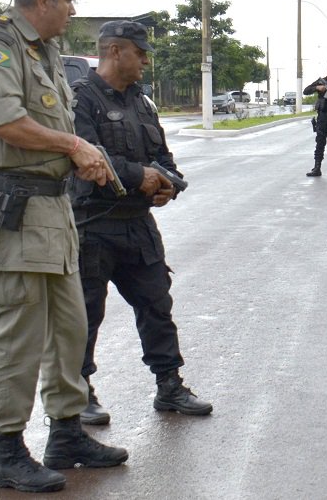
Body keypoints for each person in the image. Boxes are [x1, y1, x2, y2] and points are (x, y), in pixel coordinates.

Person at [0, 0, 128, 494]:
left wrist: (83, 152)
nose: (73, 12)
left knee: (68, 330)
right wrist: (74, 145)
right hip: (15, 210)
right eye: (67, 2)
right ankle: (6, 451)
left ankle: (65, 434)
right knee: (19, 336)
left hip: (53, 211)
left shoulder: (47, 50)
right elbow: (7, 123)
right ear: (42, 2)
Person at [69, 21, 212, 424]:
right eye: (140, 52)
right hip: (93, 226)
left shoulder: (142, 103)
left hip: (138, 226)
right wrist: (140, 176)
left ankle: (169, 385)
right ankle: (78, 394)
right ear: (115, 51)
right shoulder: (82, 100)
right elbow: (85, 160)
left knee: (156, 305)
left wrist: (170, 185)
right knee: (84, 314)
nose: (146, 61)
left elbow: (166, 161)